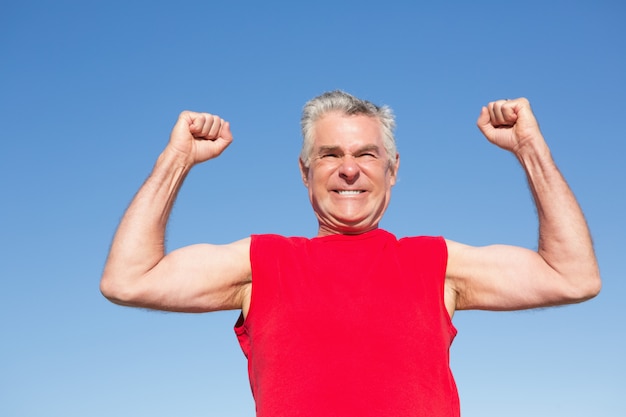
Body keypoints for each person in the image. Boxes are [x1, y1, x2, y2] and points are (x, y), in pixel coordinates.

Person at [100, 90, 601, 416]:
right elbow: (129, 279)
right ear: (304, 171)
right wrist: (177, 159)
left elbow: (572, 275)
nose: (349, 170)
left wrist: (530, 148)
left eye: (366, 154)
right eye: (330, 155)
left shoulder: (435, 264)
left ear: (393, 170)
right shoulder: (262, 263)